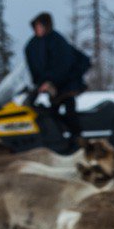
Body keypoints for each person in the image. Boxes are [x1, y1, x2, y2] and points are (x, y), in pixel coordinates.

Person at [23, 11, 91, 148]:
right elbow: (35, 67)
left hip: (67, 83)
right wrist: (39, 83)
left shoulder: (56, 40)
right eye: (36, 26)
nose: (38, 29)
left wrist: (48, 80)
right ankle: (61, 137)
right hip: (53, 85)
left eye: (41, 26)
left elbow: (62, 64)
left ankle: (77, 139)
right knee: (52, 112)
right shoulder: (34, 44)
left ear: (47, 26)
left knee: (68, 109)